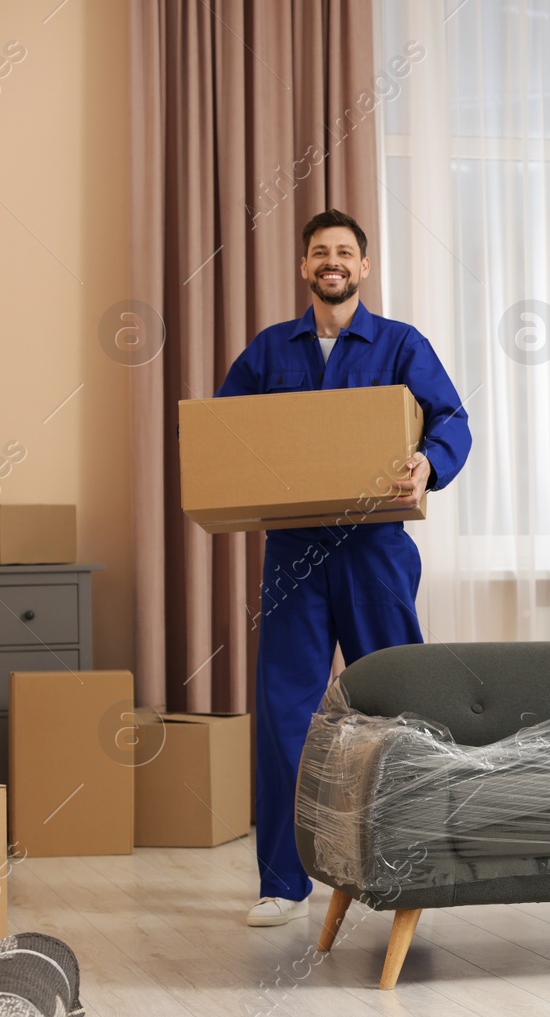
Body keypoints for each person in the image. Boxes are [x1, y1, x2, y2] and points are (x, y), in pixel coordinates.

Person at [217, 209, 472, 927]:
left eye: (345, 253)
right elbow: (224, 433)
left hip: (375, 548)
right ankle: (283, 881)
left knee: (400, 710)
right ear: (305, 268)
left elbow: (452, 420)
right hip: (295, 553)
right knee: (283, 716)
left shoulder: (399, 344)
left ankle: (414, 862)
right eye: (320, 253)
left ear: (363, 268)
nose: (332, 262)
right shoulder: (270, 351)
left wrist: (430, 460)